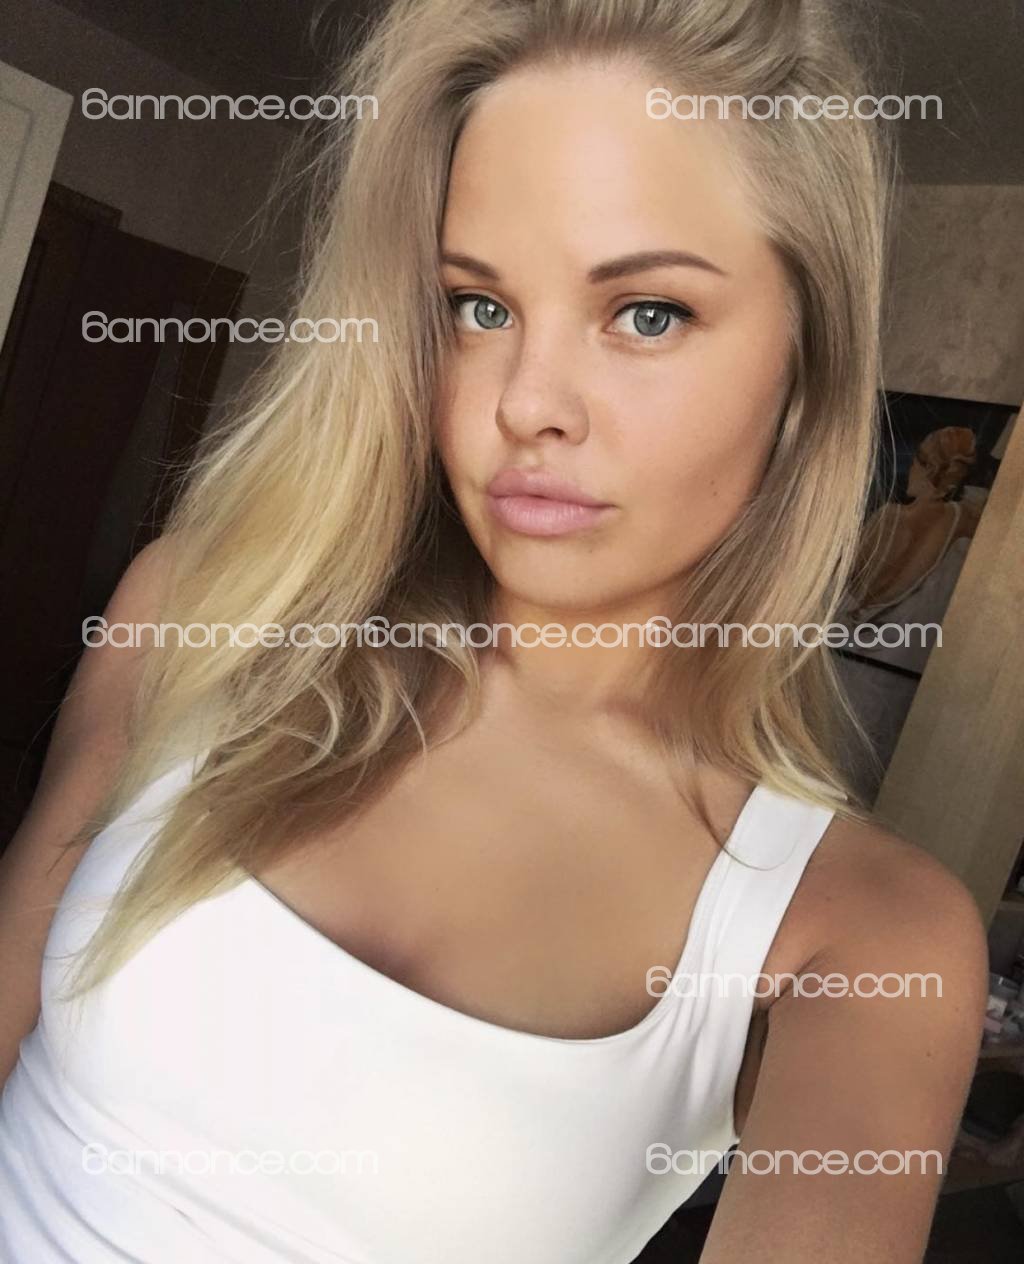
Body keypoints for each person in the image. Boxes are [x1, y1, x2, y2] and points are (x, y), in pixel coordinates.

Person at [0, 1, 987, 1261]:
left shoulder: (857, 930)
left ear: (806, 369)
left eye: (646, 313)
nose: (527, 403)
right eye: (477, 306)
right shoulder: (199, 614)